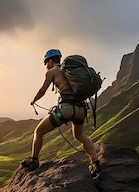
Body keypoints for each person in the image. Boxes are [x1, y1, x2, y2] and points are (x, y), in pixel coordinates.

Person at [20, 49, 102, 177]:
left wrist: (34, 100)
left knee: (38, 132)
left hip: (65, 111)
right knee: (80, 136)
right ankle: (95, 161)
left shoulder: (51, 72)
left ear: (50, 61)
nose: (46, 66)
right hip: (81, 110)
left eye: (46, 63)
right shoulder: (70, 71)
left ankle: (34, 160)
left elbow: (42, 91)